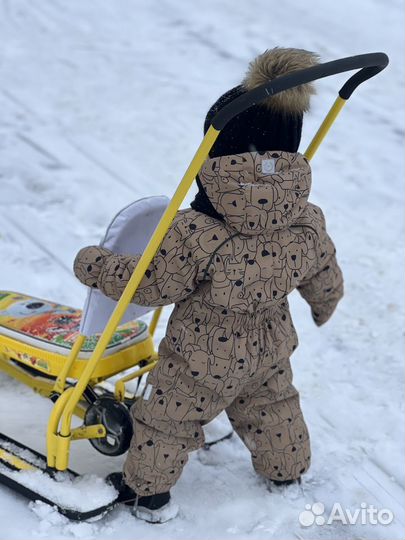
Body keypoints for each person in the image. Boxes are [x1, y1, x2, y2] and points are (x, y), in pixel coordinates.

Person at [74, 47, 344, 523]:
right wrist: (325, 302)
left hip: (203, 355)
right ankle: (286, 468)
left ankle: (148, 494)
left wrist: (97, 266)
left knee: (169, 418)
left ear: (215, 154)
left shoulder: (199, 231)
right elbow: (323, 270)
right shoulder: (305, 218)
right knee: (273, 402)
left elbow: (151, 283)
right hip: (271, 342)